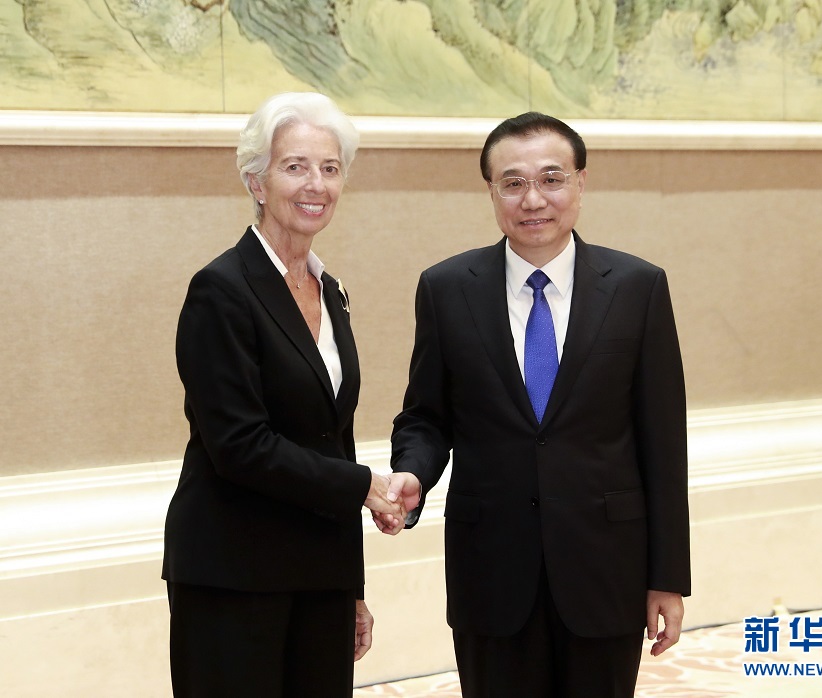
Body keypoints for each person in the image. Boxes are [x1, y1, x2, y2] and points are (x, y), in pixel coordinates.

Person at [376, 112, 691, 697]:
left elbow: (664, 443)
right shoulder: (446, 288)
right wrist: (412, 471)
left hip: (606, 569)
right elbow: (426, 415)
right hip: (490, 570)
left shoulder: (637, 287)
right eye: (513, 183)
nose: (533, 199)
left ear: (580, 183)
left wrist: (667, 576)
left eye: (551, 179)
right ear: (491, 191)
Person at [162, 92, 406, 698]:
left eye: (330, 168)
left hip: (319, 575)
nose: (316, 184)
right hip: (233, 574)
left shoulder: (331, 291)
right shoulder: (221, 290)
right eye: (295, 166)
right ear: (257, 181)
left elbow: (334, 441)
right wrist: (364, 487)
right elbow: (239, 446)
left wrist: (351, 588)